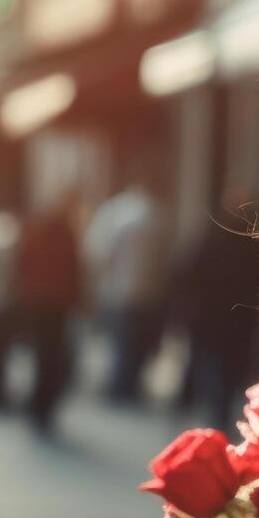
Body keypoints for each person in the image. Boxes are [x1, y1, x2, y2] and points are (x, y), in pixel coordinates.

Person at [170, 186, 259, 427]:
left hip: (223, 320)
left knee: (218, 370)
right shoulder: (249, 244)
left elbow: (187, 274)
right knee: (221, 370)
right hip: (226, 320)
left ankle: (211, 411)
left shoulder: (220, 238)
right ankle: (213, 411)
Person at [82, 163, 172, 403]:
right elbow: (166, 257)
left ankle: (121, 386)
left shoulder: (114, 211)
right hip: (148, 292)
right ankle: (128, 385)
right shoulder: (158, 214)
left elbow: (97, 252)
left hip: (119, 291)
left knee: (123, 342)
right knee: (138, 343)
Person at [10, 195, 82, 432]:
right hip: (55, 304)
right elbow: (75, 270)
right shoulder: (63, 235)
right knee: (49, 355)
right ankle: (43, 404)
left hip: (41, 302)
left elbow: (22, 264)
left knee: (43, 355)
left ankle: (39, 403)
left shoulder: (38, 232)